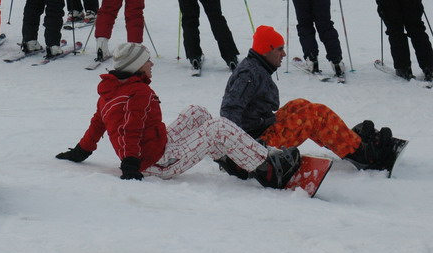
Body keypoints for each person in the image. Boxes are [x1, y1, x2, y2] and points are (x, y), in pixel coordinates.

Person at [56, 42, 301, 188]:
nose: (152, 64)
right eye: (147, 61)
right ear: (136, 66)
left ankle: (236, 161)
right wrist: (130, 164)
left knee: (197, 112)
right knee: (217, 128)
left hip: (155, 147)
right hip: (156, 163)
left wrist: (80, 152)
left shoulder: (111, 92)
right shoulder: (137, 92)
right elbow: (130, 129)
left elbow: (97, 125)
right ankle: (269, 170)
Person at [220, 25, 396, 173]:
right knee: (314, 114)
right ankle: (364, 155)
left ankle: (348, 141)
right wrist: (239, 154)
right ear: (266, 50)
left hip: (260, 132)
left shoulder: (256, 67)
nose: (284, 54)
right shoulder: (248, 75)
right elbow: (229, 111)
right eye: (279, 49)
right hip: (256, 147)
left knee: (300, 104)